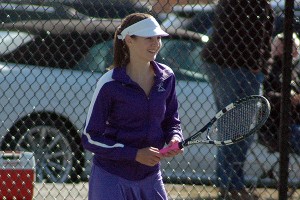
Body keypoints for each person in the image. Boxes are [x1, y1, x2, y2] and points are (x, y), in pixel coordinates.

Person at [81, 13, 184, 200]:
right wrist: (134, 154)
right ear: (129, 40)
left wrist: (175, 137)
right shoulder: (109, 83)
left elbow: (172, 121)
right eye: (149, 38)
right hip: (111, 176)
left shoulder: (167, 77)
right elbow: (89, 137)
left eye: (158, 38)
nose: (156, 43)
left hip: (150, 175)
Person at [201, 0, 274, 199]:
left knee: (243, 128)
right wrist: (254, 62)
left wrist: (262, 63)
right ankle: (230, 185)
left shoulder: (264, 5)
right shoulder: (240, 3)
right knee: (232, 125)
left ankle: (233, 183)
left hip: (246, 66)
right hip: (228, 64)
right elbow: (237, 32)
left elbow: (265, 35)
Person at [259, 33, 300, 155]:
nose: (284, 51)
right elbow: (265, 96)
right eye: (280, 47)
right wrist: (288, 98)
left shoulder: (295, 72)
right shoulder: (270, 70)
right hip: (277, 127)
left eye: (289, 47)